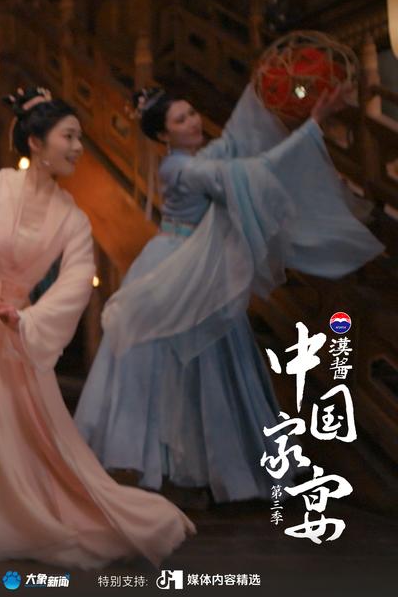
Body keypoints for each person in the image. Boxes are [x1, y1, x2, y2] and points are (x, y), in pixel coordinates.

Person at [0, 87, 194, 569]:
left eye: (79, 138)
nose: (77, 147)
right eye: (68, 136)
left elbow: (77, 281)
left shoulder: (71, 218)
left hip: (12, 331)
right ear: (35, 142)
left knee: (11, 437)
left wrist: (28, 319)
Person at [75, 83, 383, 504]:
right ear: (164, 135)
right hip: (179, 268)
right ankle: (187, 469)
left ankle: (208, 470)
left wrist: (264, 92)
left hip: (193, 266)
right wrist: (311, 126)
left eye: (191, 113)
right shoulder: (181, 169)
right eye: (181, 119)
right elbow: (255, 171)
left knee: (210, 366)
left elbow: (235, 143)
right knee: (184, 370)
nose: (193, 121)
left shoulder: (192, 160)